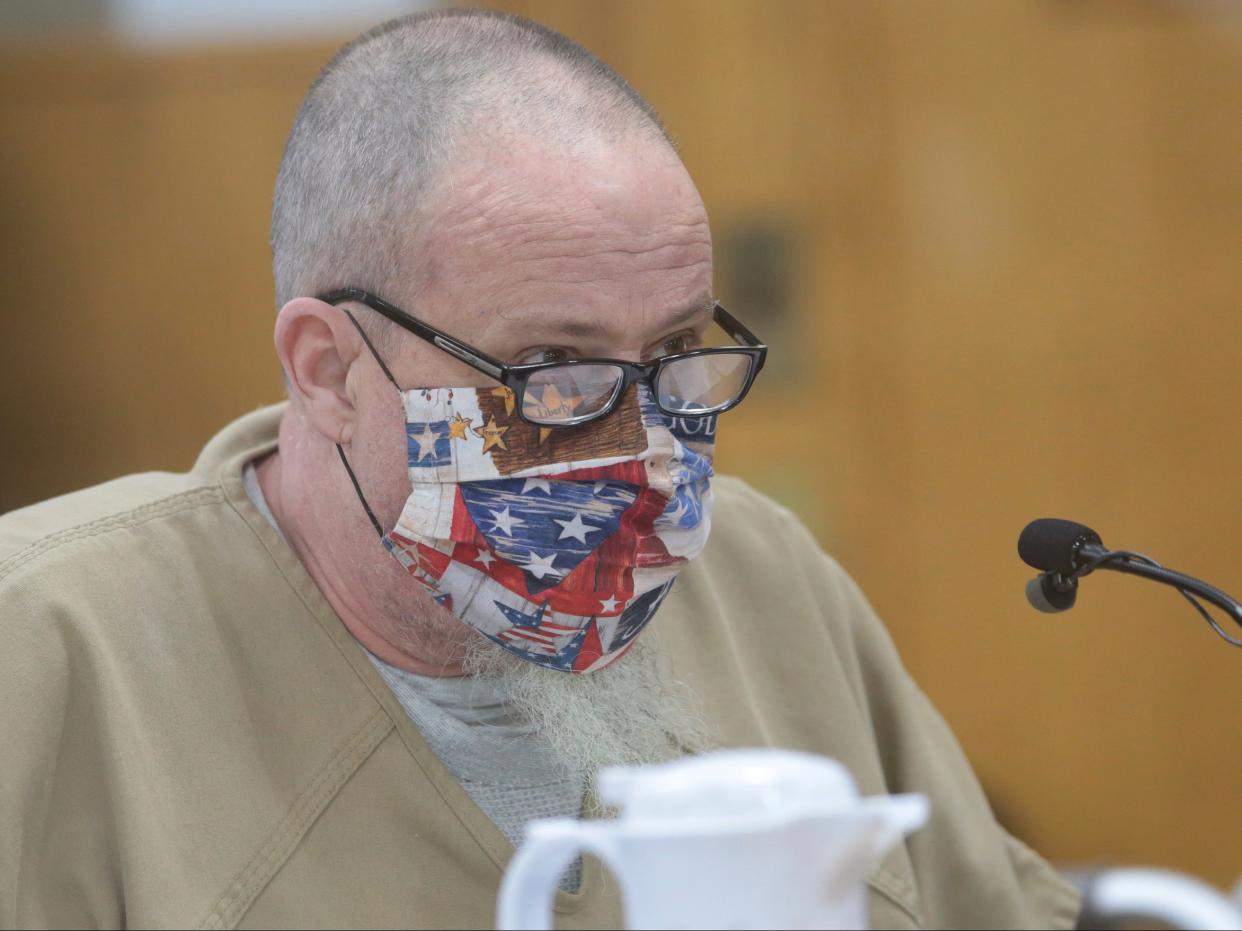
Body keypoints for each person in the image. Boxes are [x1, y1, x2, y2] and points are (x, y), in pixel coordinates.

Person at [0, 9, 1079, 929]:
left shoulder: (758, 575)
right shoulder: (52, 650)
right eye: (552, 370)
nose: (643, 450)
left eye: (671, 354)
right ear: (328, 368)